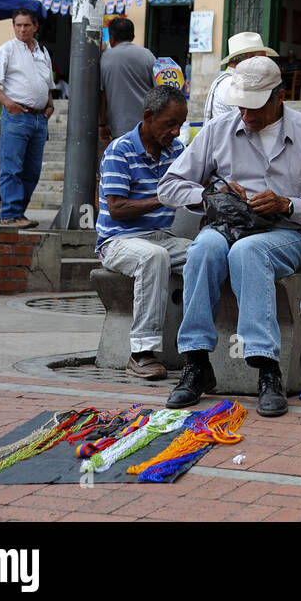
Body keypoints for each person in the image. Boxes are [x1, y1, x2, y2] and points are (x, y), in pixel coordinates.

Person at [157, 57, 301, 417]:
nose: (247, 116)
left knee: (248, 251)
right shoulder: (218, 129)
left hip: (282, 234)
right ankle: (196, 363)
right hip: (225, 225)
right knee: (203, 250)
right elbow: (169, 186)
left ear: (279, 98)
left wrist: (287, 204)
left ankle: (267, 369)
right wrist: (211, 198)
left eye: (256, 108)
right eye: (242, 106)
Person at [95, 86, 191, 380]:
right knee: (154, 257)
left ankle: (199, 345)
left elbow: (196, 182)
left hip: (160, 236)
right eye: (169, 124)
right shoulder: (120, 150)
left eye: (180, 125)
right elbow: (117, 209)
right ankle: (141, 352)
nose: (175, 132)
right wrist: (161, 198)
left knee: (207, 253)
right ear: (148, 116)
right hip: (117, 241)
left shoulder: (177, 151)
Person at [0, 8, 54, 228]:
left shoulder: (42, 51)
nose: (22, 29)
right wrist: (8, 103)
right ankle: (9, 214)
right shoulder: (7, 50)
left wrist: (49, 104)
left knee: (32, 170)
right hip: (17, 115)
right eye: (18, 25)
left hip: (39, 119)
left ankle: (19, 213)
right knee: (12, 167)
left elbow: (47, 83)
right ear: (14, 26)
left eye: (27, 25)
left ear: (35, 26)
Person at [98, 16, 156, 143]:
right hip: (145, 125)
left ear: (111, 37)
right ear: (133, 36)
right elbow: (157, 90)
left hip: (118, 127)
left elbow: (102, 96)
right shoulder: (148, 55)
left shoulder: (104, 58)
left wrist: (102, 124)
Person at [205, 31, 275, 121]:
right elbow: (253, 118)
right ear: (251, 59)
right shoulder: (233, 82)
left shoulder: (234, 80)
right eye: (263, 59)